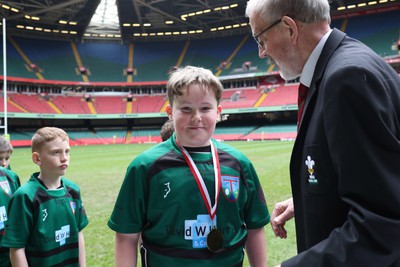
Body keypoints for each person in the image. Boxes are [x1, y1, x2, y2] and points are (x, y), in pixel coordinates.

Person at [246, 0, 400, 266]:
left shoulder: (346, 78)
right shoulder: (344, 66)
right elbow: (375, 179)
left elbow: (383, 224)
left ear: (289, 28)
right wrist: (312, 198)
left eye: (261, 39)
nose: (261, 52)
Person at [108, 65, 270, 267]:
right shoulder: (145, 166)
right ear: (170, 112)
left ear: (218, 112)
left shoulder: (239, 163)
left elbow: (255, 229)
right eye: (186, 109)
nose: (196, 117)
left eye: (205, 108)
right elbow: (127, 236)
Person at [2, 127, 89, 266]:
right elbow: (17, 249)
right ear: (37, 158)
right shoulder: (25, 196)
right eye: (56, 152)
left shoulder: (74, 191)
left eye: (67, 151)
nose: (64, 157)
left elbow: (78, 233)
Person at [0, 135, 20, 267]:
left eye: (7, 159)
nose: (4, 163)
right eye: (0, 159)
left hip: (8, 245)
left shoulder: (11, 178)